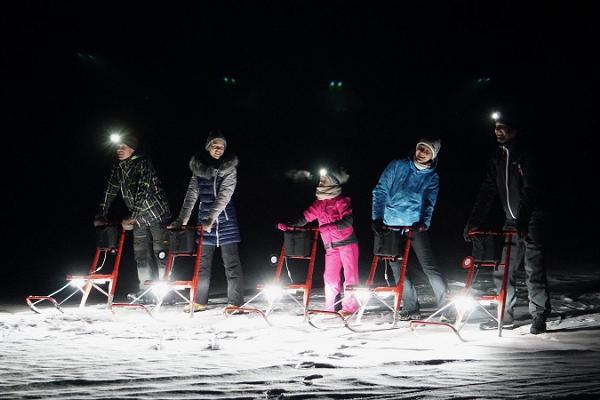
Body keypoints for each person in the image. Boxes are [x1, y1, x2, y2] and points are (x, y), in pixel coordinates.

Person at [464, 110, 550, 334]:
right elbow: (487, 190)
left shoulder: (526, 153)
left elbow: (531, 189)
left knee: (533, 267)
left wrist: (523, 219)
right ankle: (504, 314)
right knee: (504, 268)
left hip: (532, 218)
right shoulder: (498, 156)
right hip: (511, 220)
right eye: (495, 128)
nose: (497, 131)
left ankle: (539, 315)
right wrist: (473, 222)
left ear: (514, 129)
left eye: (502, 127)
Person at [371, 138, 448, 321]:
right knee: (397, 268)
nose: (421, 153)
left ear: (432, 156)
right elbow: (380, 190)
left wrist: (424, 223)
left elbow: (429, 203)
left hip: (414, 226)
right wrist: (377, 217)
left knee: (429, 266)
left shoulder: (432, 177)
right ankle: (411, 307)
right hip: (390, 224)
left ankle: (447, 308)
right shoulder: (398, 166)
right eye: (420, 149)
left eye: (426, 151)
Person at [170, 130, 244, 312]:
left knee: (232, 264)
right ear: (208, 146)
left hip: (225, 221)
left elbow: (225, 195)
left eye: (221, 146)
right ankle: (199, 301)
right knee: (202, 264)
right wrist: (182, 220)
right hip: (205, 223)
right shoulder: (199, 169)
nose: (218, 149)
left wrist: (211, 217)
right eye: (215, 145)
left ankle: (235, 302)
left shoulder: (229, 168)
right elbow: (191, 195)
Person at [94, 133, 171, 302]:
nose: (118, 150)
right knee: (141, 255)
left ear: (132, 149)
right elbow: (110, 190)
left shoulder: (143, 163)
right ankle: (145, 291)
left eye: (122, 147)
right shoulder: (118, 167)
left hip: (156, 214)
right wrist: (101, 213)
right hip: (138, 219)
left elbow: (142, 191)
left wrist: (133, 216)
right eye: (117, 147)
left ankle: (165, 293)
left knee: (161, 254)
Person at [278, 168, 359, 318]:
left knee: (350, 277)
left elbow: (348, 221)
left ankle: (350, 307)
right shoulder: (319, 204)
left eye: (324, 179)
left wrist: (329, 227)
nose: (321, 182)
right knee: (330, 277)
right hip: (330, 247)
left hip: (347, 244)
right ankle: (330, 307)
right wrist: (290, 225)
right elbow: (305, 218)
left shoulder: (341, 201)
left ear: (332, 182)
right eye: (321, 180)